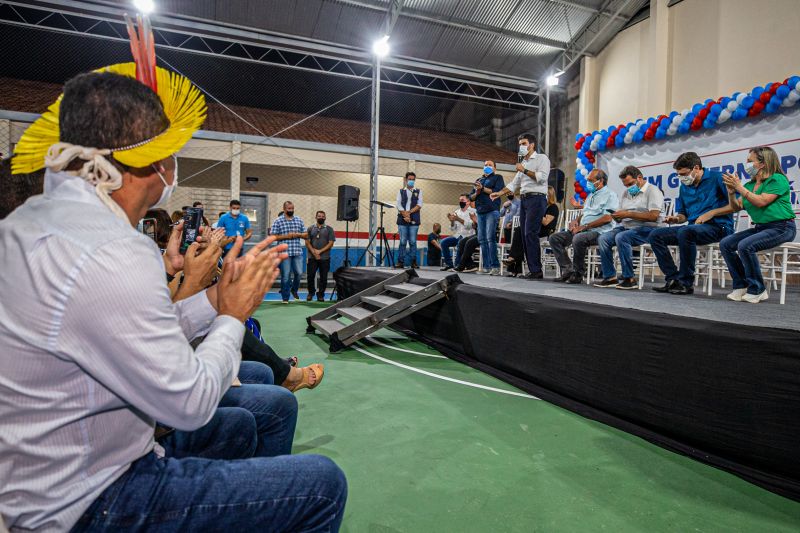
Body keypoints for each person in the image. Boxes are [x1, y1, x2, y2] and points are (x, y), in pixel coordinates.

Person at [0, 66, 345, 531]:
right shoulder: (109, 249)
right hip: (90, 497)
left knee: (245, 423)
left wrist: (214, 297)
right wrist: (232, 316)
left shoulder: (49, 232)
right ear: (149, 162)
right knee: (323, 484)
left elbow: (134, 331)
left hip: (54, 479)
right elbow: (189, 402)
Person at [648, 152, 735, 295]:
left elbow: (737, 204)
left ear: (696, 168)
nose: (681, 177)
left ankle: (686, 282)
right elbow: (684, 215)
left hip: (719, 226)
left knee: (686, 232)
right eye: (679, 175)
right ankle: (673, 278)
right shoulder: (684, 186)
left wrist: (712, 213)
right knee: (655, 235)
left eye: (684, 174)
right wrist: (676, 219)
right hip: (694, 228)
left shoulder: (718, 178)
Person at [720, 146, 797, 303]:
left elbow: (761, 201)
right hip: (761, 227)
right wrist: (731, 193)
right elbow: (736, 207)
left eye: (750, 161)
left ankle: (758, 289)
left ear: (762, 163)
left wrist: (739, 187)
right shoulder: (749, 185)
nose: (746, 164)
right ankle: (741, 285)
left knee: (745, 246)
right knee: (726, 244)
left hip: (782, 227)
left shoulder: (777, 179)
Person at [490, 133, 551, 279]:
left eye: (524, 144)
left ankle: (536, 270)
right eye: (520, 144)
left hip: (536, 198)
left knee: (530, 233)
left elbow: (542, 178)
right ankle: (532, 269)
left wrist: (523, 170)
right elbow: (514, 184)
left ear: (532, 145)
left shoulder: (542, 158)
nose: (521, 147)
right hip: (524, 199)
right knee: (524, 234)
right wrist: (499, 193)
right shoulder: (523, 162)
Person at [595, 165, 664, 289]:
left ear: (639, 177)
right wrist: (618, 216)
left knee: (622, 237)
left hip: (649, 229)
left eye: (630, 184)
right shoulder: (626, 193)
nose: (628, 187)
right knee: (603, 238)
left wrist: (628, 214)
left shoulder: (653, 191)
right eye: (625, 185)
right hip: (627, 227)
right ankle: (610, 277)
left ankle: (629, 278)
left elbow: (653, 216)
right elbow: (623, 213)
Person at [548, 170, 618, 284]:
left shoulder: (610, 195)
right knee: (554, 238)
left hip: (599, 232)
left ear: (600, 181)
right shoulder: (591, 195)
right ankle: (568, 270)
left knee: (578, 238)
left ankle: (578, 273)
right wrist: (576, 220)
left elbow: (607, 218)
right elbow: (585, 213)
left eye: (591, 180)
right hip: (583, 230)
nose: (588, 183)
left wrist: (584, 226)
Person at [504, 186, 559, 276]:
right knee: (520, 232)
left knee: (522, 232)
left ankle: (513, 264)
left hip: (545, 230)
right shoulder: (542, 206)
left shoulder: (553, 207)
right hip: (535, 228)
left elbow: (546, 222)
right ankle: (513, 262)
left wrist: (536, 211)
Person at [469, 160, 504, 275]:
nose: (487, 166)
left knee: (490, 238)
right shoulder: (478, 180)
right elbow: (471, 197)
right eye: (485, 165)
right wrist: (478, 192)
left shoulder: (498, 177)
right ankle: (486, 266)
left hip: (492, 211)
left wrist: (483, 188)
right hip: (480, 212)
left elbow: (497, 191)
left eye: (490, 165)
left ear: (494, 168)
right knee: (482, 239)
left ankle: (495, 266)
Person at [271, 200, 307, 303]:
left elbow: (306, 235)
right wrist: (287, 236)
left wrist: (298, 235)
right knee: (285, 276)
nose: (291, 210)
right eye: (289, 209)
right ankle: (285, 297)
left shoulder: (299, 220)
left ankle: (294, 290)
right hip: (284, 253)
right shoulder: (278, 221)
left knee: (299, 273)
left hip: (297, 252)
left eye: (292, 208)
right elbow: (273, 236)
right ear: (284, 209)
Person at [440, 195, 476, 271]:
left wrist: (458, 219)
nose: (460, 202)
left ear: (468, 202)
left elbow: (470, 226)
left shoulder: (473, 211)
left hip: (468, 236)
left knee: (460, 242)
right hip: (457, 236)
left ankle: (458, 265)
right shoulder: (456, 212)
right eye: (459, 200)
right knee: (443, 242)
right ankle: (449, 264)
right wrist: (452, 221)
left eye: (462, 200)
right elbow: (453, 229)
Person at [306, 210, 335, 302]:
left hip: (325, 258)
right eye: (319, 216)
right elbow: (307, 242)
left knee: (324, 277)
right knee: (310, 276)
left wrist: (320, 251)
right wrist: (314, 253)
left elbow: (331, 243)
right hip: (312, 257)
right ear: (316, 217)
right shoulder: (310, 228)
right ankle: (311, 293)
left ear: (325, 218)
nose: (321, 217)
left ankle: (321, 295)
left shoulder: (329, 229)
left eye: (323, 216)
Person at [395, 171, 423, 268]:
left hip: (414, 219)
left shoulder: (418, 191)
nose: (411, 181)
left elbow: (419, 205)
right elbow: (398, 204)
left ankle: (413, 262)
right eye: (409, 179)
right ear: (406, 180)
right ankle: (400, 262)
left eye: (413, 179)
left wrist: (409, 213)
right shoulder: (401, 191)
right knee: (403, 241)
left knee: (412, 241)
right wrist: (405, 214)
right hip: (402, 219)